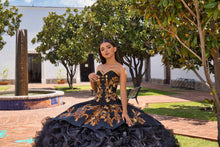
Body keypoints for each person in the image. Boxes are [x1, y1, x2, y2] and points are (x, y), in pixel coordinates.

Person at [33, 39, 179, 147]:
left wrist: (125, 112)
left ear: (114, 49)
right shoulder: (99, 66)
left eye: (108, 47)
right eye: (102, 49)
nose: (105, 51)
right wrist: (91, 79)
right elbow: (96, 90)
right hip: (97, 103)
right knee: (73, 123)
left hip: (113, 104)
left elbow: (122, 91)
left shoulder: (120, 68)